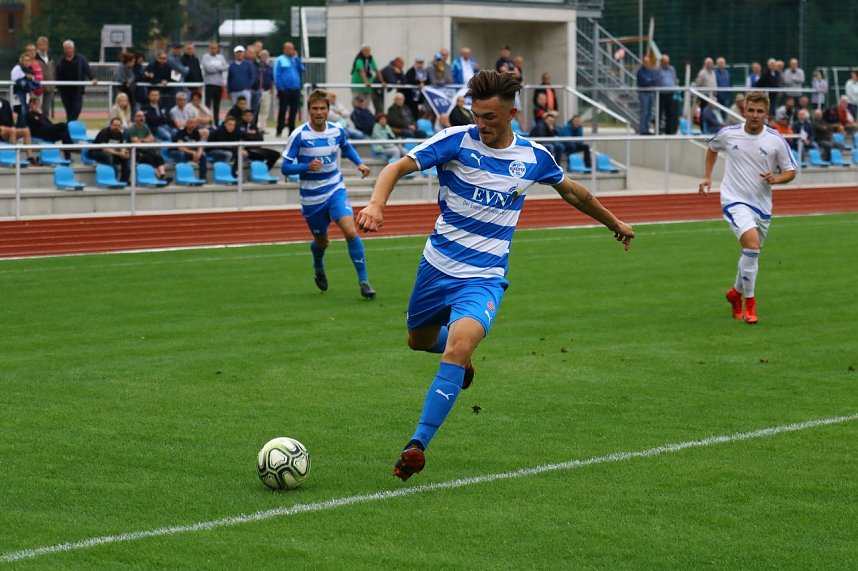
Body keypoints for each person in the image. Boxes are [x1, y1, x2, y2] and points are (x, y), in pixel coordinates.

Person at [355, 70, 635, 481]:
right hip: (436, 268)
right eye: (476, 114)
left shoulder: (534, 157)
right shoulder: (455, 140)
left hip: (484, 277)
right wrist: (377, 205)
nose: (481, 123)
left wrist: (615, 223)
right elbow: (395, 168)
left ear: (511, 114)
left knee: (458, 346)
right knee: (418, 341)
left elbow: (576, 193)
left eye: (490, 117)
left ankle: (417, 445)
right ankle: (462, 367)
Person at [699, 91, 797, 325]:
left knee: (752, 253)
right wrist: (708, 177)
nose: (754, 115)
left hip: (762, 205)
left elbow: (791, 171)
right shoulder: (729, 134)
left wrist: (777, 178)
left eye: (759, 111)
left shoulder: (775, 139)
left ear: (766, 113)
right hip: (733, 199)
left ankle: (735, 293)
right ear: (744, 111)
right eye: (750, 110)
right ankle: (750, 304)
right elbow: (712, 148)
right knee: (751, 245)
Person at [280, 89, 375, 299]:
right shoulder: (299, 135)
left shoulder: (337, 130)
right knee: (322, 242)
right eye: (314, 108)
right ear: (308, 111)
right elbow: (285, 168)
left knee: (350, 231)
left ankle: (364, 282)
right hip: (312, 198)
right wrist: (305, 166)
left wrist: (360, 163)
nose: (319, 112)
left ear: (328, 110)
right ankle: (318, 265)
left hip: (335, 188)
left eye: (322, 108)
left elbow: (347, 147)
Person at [54, 40, 97, 121]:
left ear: (73, 49)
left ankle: (67, 126)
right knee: (69, 111)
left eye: (69, 48)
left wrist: (93, 78)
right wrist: (57, 87)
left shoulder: (81, 59)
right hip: (65, 91)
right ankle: (69, 130)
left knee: (77, 109)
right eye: (66, 48)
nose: (68, 50)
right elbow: (57, 75)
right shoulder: (60, 62)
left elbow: (87, 70)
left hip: (77, 90)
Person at [125, 109, 171, 183]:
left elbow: (152, 138)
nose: (141, 118)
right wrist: (146, 140)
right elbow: (136, 142)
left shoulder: (145, 127)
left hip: (146, 151)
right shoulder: (132, 129)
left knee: (158, 158)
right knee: (149, 159)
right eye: (139, 116)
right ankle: (159, 177)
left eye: (143, 116)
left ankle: (162, 175)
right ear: (135, 118)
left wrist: (142, 140)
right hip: (136, 153)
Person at [273, 41, 304, 137]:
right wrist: (280, 87)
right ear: (285, 49)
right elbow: (276, 74)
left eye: (292, 48)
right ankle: (279, 130)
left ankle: (292, 130)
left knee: (294, 110)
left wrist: (297, 58)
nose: (291, 50)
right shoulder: (280, 59)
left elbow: (302, 69)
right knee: (283, 109)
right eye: (289, 48)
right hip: (284, 89)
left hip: (295, 89)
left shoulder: (295, 59)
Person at [91, 117, 131, 183]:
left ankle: (124, 180)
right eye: (114, 125)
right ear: (110, 125)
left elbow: (121, 147)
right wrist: (119, 153)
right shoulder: (104, 132)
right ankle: (111, 179)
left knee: (126, 158)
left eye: (118, 126)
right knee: (108, 156)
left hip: (112, 153)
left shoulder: (120, 134)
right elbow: (104, 149)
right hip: (97, 152)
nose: (116, 127)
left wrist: (124, 152)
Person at [0, 97, 39, 163]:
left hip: (9, 129)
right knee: (13, 131)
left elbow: (11, 119)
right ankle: (14, 158)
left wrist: (13, 126)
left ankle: (30, 157)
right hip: (1, 130)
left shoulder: (5, 103)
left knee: (26, 131)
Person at [172, 116, 208, 181]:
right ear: (186, 123)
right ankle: (183, 177)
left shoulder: (196, 133)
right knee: (181, 154)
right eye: (191, 123)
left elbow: (200, 145)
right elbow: (180, 148)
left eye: (194, 123)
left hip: (191, 153)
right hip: (178, 152)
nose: (193, 125)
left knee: (203, 155)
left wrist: (199, 153)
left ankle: (203, 178)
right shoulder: (181, 132)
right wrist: (193, 152)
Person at [202, 42, 229, 125]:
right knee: (207, 105)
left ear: (217, 49)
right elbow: (207, 69)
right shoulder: (205, 57)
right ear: (209, 48)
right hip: (209, 84)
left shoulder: (220, 57)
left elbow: (225, 67)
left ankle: (216, 123)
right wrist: (219, 68)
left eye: (215, 48)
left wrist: (214, 67)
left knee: (216, 106)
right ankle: (208, 123)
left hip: (218, 85)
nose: (213, 50)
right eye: (212, 48)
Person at [350, 44, 381, 113]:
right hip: (358, 87)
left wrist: (382, 81)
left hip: (368, 87)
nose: (367, 52)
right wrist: (366, 82)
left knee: (366, 105)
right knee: (357, 104)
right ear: (362, 51)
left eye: (369, 50)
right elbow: (362, 71)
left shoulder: (370, 59)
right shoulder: (359, 59)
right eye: (365, 50)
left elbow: (376, 69)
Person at [657, 54, 679, 134]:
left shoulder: (672, 69)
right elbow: (657, 81)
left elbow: (674, 78)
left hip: (670, 93)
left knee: (670, 112)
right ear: (661, 62)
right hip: (661, 94)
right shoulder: (658, 70)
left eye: (668, 62)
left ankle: (669, 130)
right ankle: (658, 130)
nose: (667, 64)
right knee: (659, 112)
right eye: (665, 62)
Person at [35, 36, 55, 117]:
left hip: (49, 86)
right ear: (38, 45)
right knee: (36, 108)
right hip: (37, 87)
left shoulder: (50, 57)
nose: (43, 46)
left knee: (46, 109)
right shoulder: (35, 57)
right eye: (41, 44)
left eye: (45, 44)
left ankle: (45, 125)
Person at [636, 58, 657, 135]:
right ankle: (642, 129)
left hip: (651, 93)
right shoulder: (640, 71)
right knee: (644, 111)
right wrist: (649, 81)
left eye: (648, 62)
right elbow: (643, 81)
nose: (647, 64)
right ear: (643, 63)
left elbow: (655, 80)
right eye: (645, 62)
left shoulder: (651, 71)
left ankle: (647, 128)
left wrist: (649, 80)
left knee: (649, 112)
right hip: (644, 93)